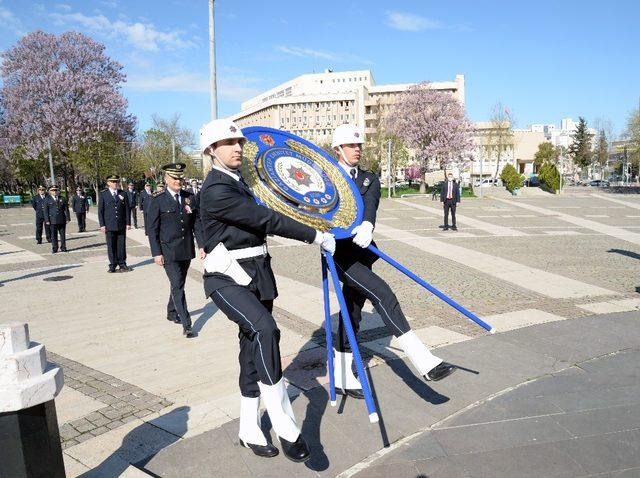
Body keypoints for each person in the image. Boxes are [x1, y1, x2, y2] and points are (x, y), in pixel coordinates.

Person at [199, 118, 335, 463]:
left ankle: (248, 428)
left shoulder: (238, 181)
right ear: (211, 151)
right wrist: (313, 235)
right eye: (228, 143)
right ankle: (286, 425)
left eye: (239, 142)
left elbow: (274, 209)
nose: (237, 148)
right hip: (227, 279)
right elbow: (265, 220)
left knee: (250, 353)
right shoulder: (216, 188)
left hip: (257, 274)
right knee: (265, 329)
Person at [330, 124, 455, 399]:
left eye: (359, 145)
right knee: (384, 294)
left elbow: (371, 203)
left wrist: (367, 225)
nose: (357, 149)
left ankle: (339, 373)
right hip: (339, 254)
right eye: (351, 146)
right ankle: (424, 360)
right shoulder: (327, 179)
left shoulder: (368, 178)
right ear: (337, 149)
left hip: (364, 251)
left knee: (351, 311)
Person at [147, 163, 203, 338]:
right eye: (175, 178)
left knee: (178, 284)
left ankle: (171, 311)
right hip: (168, 250)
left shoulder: (189, 197)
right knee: (178, 285)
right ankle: (187, 324)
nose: (178, 181)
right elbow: (152, 228)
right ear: (166, 179)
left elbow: (196, 223)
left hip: (185, 249)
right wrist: (156, 253)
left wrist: (202, 245)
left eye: (180, 178)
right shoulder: (158, 199)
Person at [98, 175, 132, 273]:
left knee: (121, 245)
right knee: (111, 245)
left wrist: (128, 223)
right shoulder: (103, 194)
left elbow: (127, 209)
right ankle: (112, 264)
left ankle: (122, 264)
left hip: (121, 224)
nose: (115, 183)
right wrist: (102, 225)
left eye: (116, 181)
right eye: (113, 182)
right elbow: (100, 211)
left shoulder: (123, 193)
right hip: (109, 224)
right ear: (108, 183)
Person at [43, 185, 70, 253]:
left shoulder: (62, 198)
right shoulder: (47, 199)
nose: (54, 191)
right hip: (52, 220)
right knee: (53, 235)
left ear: (58, 191)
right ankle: (55, 248)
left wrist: (68, 218)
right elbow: (46, 211)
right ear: (50, 192)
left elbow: (66, 209)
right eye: (53, 190)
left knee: (63, 235)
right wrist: (47, 220)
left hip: (62, 219)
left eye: (56, 190)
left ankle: (63, 247)